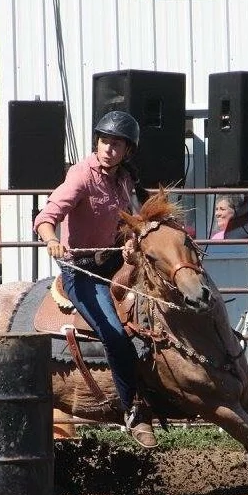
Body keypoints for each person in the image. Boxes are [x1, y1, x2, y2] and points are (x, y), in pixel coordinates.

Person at [33, 110, 158, 449]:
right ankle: (133, 410)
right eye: (104, 142)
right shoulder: (80, 175)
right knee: (114, 332)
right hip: (82, 270)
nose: (108, 150)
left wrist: (132, 243)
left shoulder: (126, 180)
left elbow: (134, 221)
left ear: (127, 151)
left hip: (117, 264)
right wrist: (51, 239)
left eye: (116, 144)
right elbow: (48, 215)